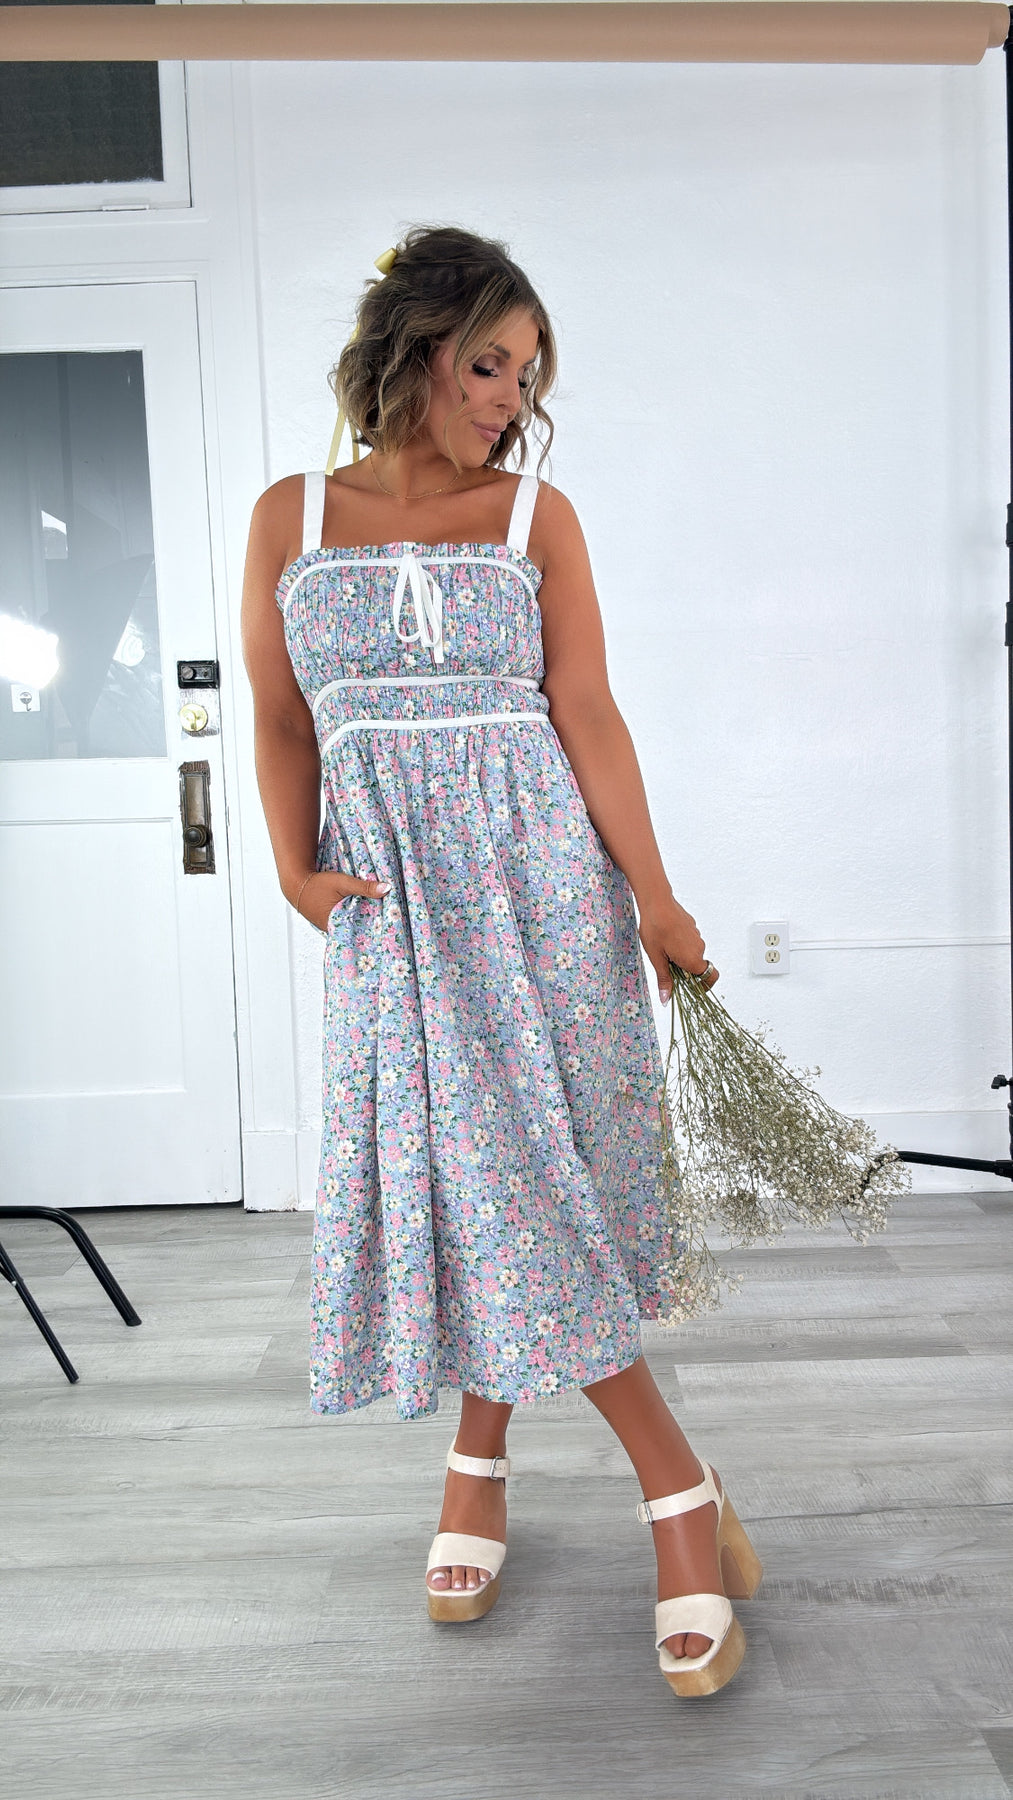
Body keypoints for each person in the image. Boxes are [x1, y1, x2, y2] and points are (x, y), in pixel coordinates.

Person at [240, 224, 762, 1698]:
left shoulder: (538, 517)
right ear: (416, 348)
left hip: (540, 895)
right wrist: (290, 867)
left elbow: (586, 710)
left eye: (526, 375)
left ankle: (636, 1488)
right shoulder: (291, 517)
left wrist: (653, 895)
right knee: (470, 1182)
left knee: (529, 1181)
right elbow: (279, 715)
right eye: (487, 364)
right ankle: (547, 1468)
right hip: (394, 909)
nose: (508, 398)